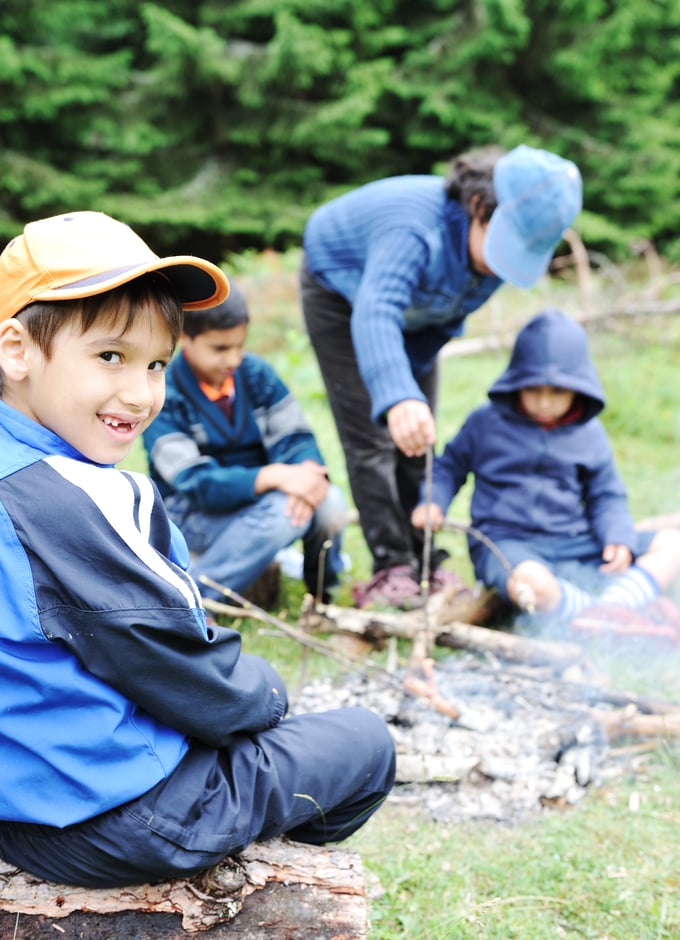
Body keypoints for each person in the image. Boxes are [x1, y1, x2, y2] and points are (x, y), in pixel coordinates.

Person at [0, 211, 396, 889]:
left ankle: (235, 858)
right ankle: (257, 891)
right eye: (110, 356)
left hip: (16, 804)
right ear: (18, 350)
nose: (141, 393)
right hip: (118, 813)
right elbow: (192, 679)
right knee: (366, 743)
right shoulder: (59, 501)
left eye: (156, 364)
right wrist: (270, 692)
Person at [300, 143, 583, 609]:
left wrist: (409, 390)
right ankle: (392, 567)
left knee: (417, 433)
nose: (500, 263)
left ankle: (426, 561)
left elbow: (450, 319)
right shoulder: (415, 228)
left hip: (418, 318)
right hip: (341, 290)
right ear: (478, 206)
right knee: (372, 436)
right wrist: (394, 396)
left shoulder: (490, 262)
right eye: (503, 243)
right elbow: (376, 311)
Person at [410, 308, 680, 641]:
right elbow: (449, 466)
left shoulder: (588, 433)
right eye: (534, 389)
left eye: (557, 392)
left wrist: (617, 536)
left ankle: (609, 610)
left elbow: (606, 493)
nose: (544, 403)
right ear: (516, 381)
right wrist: (432, 501)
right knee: (533, 584)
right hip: (507, 542)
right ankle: (603, 613)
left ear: (578, 390)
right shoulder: (486, 423)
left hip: (575, 542)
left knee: (672, 543)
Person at [144, 282, 347, 605]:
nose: (234, 359)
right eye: (221, 349)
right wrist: (272, 477)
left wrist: (308, 472)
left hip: (265, 500)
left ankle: (322, 596)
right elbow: (195, 482)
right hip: (192, 512)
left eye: (240, 346)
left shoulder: (256, 375)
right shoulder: (165, 392)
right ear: (184, 337)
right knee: (283, 514)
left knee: (330, 501)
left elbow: (295, 438)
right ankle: (194, 598)